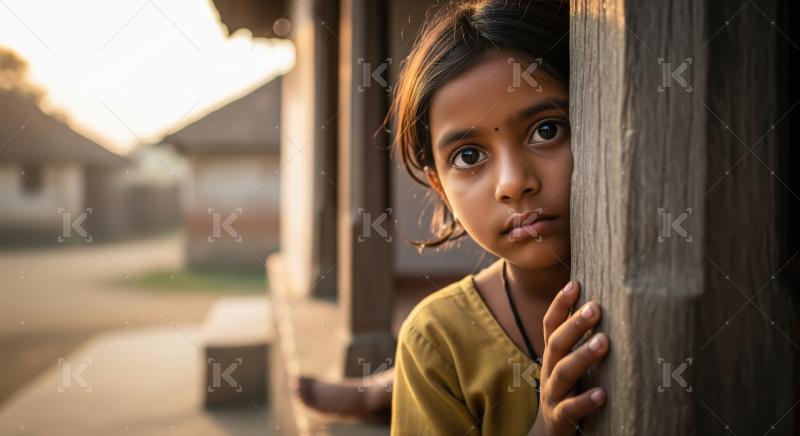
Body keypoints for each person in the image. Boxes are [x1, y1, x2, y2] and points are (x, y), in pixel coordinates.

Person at [297, 1, 609, 434]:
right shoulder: (436, 342)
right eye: (468, 155)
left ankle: (380, 392)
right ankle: (380, 393)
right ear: (440, 186)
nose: (513, 183)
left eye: (547, 130)